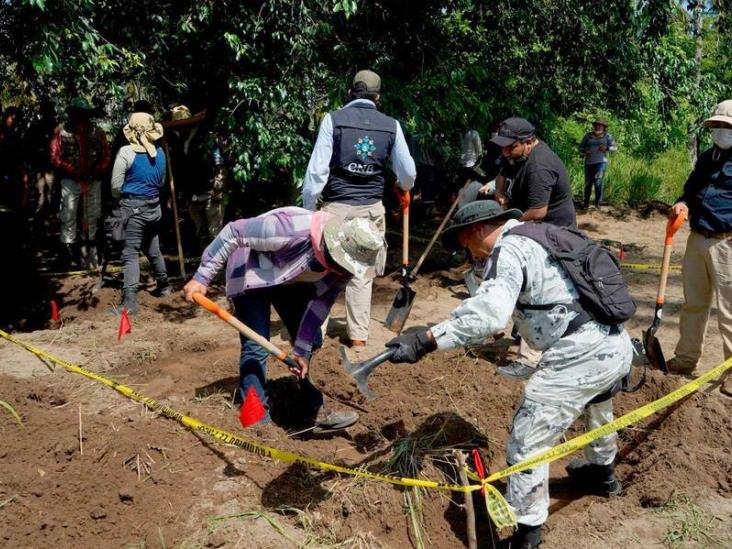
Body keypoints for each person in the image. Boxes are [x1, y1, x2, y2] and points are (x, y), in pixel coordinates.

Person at [384, 200, 632, 549]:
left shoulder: (508, 249)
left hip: (580, 354)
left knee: (526, 441)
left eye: (467, 245)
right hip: (614, 343)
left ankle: (526, 533)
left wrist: (426, 340)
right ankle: (601, 472)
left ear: (478, 230)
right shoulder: (543, 235)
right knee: (597, 404)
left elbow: (489, 317)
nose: (470, 255)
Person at [182, 207, 385, 432]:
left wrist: (301, 350)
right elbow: (234, 232)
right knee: (256, 346)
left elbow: (319, 305)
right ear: (332, 246)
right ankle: (256, 422)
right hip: (251, 271)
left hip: (290, 280)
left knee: (312, 344)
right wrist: (202, 277)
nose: (341, 269)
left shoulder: (344, 268)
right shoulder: (291, 230)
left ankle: (314, 411)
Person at [301, 69, 416, 349]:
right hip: (370, 210)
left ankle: (314, 336)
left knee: (326, 270)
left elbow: (315, 174)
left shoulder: (333, 120)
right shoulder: (391, 125)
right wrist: (402, 186)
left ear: (350, 93)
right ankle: (358, 339)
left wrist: (309, 211)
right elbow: (408, 173)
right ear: (378, 98)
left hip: (336, 209)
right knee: (362, 274)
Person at [667, 99, 732, 397]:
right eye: (717, 126)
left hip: (727, 243)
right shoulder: (707, 158)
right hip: (697, 238)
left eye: (726, 126)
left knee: (729, 312)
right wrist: (682, 202)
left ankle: (729, 374)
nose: (721, 130)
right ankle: (685, 359)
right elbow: (691, 189)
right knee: (693, 304)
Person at [111, 112, 170, 314]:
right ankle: (164, 286)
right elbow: (161, 182)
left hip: (133, 209)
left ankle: (129, 303)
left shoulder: (126, 153)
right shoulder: (161, 153)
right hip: (155, 208)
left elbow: (115, 186)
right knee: (153, 248)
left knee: (130, 254)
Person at [50, 96, 111, 269]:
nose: (81, 116)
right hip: (70, 180)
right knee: (68, 216)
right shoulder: (61, 131)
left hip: (93, 180)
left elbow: (106, 155)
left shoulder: (98, 132)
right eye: (77, 113)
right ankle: (67, 258)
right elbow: (54, 157)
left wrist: (96, 170)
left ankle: (89, 258)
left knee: (92, 216)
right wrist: (72, 170)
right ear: (72, 113)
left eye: (83, 113)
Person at [492, 117, 576, 228]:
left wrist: (508, 225)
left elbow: (538, 212)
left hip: (554, 230)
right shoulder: (513, 154)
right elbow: (502, 174)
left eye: (510, 147)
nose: (505, 153)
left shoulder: (538, 166)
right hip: (529, 218)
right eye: (502, 147)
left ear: (528, 143)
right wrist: (499, 192)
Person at [166, 105, 226, 253]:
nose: (180, 129)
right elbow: (179, 170)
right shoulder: (179, 142)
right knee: (201, 234)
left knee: (215, 234)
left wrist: (218, 186)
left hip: (211, 193)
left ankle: (220, 270)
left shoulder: (206, 137)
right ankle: (207, 269)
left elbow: (219, 163)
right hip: (192, 196)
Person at [579, 118, 617, 209]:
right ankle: (586, 204)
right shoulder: (588, 136)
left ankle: (597, 204)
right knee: (588, 183)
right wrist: (585, 151)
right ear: (594, 126)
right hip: (589, 163)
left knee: (598, 181)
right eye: (597, 125)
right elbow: (580, 148)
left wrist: (606, 148)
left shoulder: (608, 136)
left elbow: (615, 148)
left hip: (601, 163)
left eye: (600, 125)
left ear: (604, 127)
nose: (598, 126)